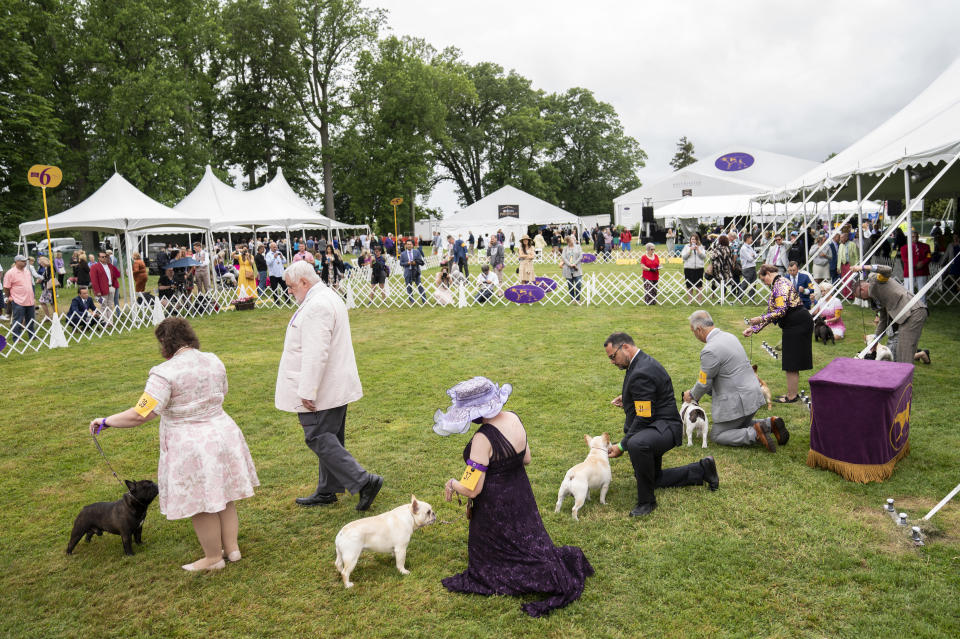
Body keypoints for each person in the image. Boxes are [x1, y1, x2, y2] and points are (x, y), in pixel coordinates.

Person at [87, 317, 258, 572]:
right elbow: (223, 391)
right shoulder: (213, 359)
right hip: (223, 434)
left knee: (201, 502)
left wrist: (106, 421)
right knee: (224, 494)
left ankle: (213, 558)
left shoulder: (164, 373)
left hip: (191, 443)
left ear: (165, 343)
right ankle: (232, 549)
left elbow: (141, 413)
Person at [437, 377, 594, 618]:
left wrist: (452, 484)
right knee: (527, 541)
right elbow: (526, 458)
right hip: (521, 494)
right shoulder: (513, 417)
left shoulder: (483, 438)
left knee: (505, 554)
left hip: (495, 505)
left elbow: (473, 490)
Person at [276, 261, 383, 509]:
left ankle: (364, 481)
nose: (290, 291)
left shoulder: (317, 306)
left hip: (324, 386)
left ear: (304, 282)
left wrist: (307, 390)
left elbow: (316, 353)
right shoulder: (325, 297)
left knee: (318, 436)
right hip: (334, 383)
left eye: (292, 286)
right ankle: (327, 489)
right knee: (330, 436)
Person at [603, 332, 719, 517]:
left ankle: (646, 502)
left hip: (665, 427)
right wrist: (628, 398)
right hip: (657, 423)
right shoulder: (640, 362)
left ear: (625, 347)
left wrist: (622, 445)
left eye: (612, 356)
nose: (612, 361)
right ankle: (702, 470)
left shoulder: (641, 370)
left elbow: (644, 418)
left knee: (636, 444)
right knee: (651, 478)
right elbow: (650, 396)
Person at [682, 311, 788, 452]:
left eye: (693, 332)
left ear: (699, 329)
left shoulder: (709, 350)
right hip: (754, 395)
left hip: (739, 401)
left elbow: (704, 382)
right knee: (736, 425)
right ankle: (770, 423)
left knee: (718, 434)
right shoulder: (729, 336)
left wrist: (692, 395)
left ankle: (755, 434)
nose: (694, 335)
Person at [744, 265, 814, 403]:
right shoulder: (779, 283)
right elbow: (772, 314)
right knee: (790, 361)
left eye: (764, 280)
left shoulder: (780, 284)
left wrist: (760, 318)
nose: (765, 283)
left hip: (797, 323)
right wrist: (754, 328)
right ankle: (791, 393)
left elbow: (781, 311)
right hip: (793, 323)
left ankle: (792, 396)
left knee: (791, 362)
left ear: (769, 274)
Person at [851, 263, 927, 363]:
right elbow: (883, 320)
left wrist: (864, 267)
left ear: (862, 289)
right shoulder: (875, 299)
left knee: (905, 351)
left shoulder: (876, 280)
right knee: (900, 351)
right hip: (906, 316)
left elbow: (887, 270)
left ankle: (904, 376)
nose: (863, 299)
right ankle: (903, 373)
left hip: (913, 311)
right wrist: (875, 341)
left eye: (861, 297)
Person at [3, 255, 37, 342]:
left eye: (25, 261)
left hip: (29, 301)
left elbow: (29, 285)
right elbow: (6, 287)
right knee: (18, 320)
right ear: (16, 262)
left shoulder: (27, 271)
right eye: (23, 261)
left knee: (31, 320)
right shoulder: (10, 273)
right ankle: (16, 338)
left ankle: (32, 336)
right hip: (18, 300)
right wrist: (9, 297)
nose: (25, 263)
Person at [90, 252, 121, 324]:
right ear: (99, 258)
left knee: (110, 305)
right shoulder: (94, 267)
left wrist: (113, 286)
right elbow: (94, 280)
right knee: (103, 305)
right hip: (101, 290)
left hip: (111, 288)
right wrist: (97, 291)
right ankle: (105, 322)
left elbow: (117, 275)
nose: (104, 258)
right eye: (102, 257)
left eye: (106, 257)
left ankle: (110, 322)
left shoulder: (110, 266)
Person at [901, 231, 932, 302]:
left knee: (922, 291)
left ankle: (923, 307)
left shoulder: (926, 246)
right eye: (913, 237)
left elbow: (929, 256)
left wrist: (922, 263)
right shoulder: (904, 248)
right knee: (908, 291)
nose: (915, 238)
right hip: (909, 272)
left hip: (922, 271)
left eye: (916, 236)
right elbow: (905, 259)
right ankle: (908, 307)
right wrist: (915, 264)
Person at [681, 233, 706, 304]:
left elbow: (703, 257)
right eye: (692, 239)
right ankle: (690, 300)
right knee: (689, 285)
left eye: (695, 239)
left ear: (697, 240)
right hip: (688, 268)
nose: (693, 240)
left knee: (699, 285)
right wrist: (690, 250)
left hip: (699, 268)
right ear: (690, 240)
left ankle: (699, 300)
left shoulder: (701, 247)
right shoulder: (686, 247)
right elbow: (684, 257)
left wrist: (698, 250)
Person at [561, 234, 584, 303]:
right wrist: (570, 264)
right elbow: (563, 257)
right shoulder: (565, 248)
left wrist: (575, 263)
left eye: (572, 240)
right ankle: (572, 299)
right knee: (570, 285)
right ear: (567, 242)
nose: (571, 242)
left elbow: (581, 256)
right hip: (567, 269)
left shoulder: (578, 247)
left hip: (577, 268)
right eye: (569, 241)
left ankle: (578, 298)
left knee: (579, 283)